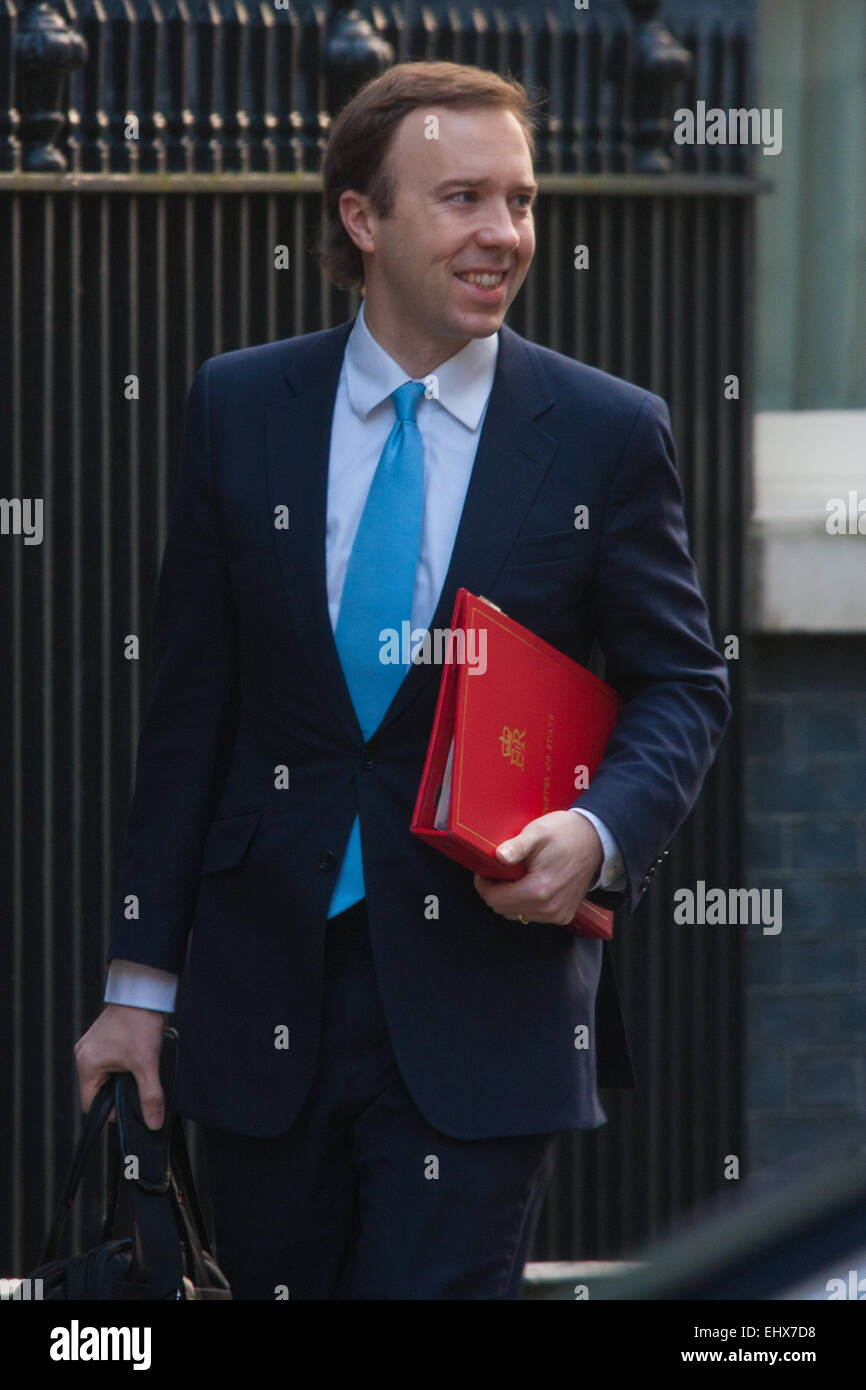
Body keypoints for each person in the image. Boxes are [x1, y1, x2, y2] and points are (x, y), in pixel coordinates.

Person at [75, 61, 731, 1300]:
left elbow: (682, 683)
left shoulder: (603, 430)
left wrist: (597, 834)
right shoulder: (241, 406)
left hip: (483, 1007)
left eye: (521, 202)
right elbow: (189, 717)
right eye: (464, 199)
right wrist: (135, 990)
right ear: (360, 218)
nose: (504, 235)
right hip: (267, 1001)